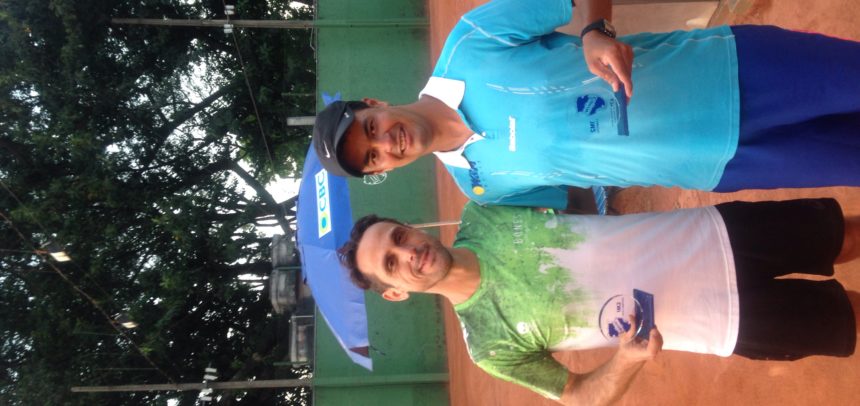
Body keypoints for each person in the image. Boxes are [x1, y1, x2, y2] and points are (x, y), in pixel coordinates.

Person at [312, 0, 860, 209]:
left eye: (371, 127)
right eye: (373, 158)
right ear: (383, 170)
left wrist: (596, 30)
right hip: (722, 165)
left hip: (728, 70)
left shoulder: (470, 41)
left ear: (375, 103)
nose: (386, 144)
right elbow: (576, 204)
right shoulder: (481, 188)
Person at [338, 198, 859, 404]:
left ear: (410, 227)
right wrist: (626, 359)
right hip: (722, 322)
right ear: (396, 292)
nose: (408, 253)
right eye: (391, 263)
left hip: (716, 233)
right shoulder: (488, 345)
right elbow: (578, 396)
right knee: (850, 317)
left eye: (399, 237)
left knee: (842, 236)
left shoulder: (483, 213)